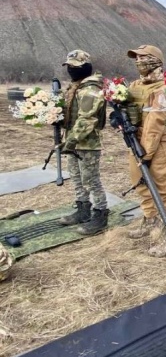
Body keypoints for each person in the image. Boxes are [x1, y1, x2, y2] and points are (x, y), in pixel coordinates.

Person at [123, 45, 166, 257]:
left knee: (161, 187)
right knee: (139, 182)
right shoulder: (135, 85)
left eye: (143, 57)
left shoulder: (164, 88)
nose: (138, 61)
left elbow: (156, 121)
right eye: (136, 58)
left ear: (155, 60)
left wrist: (146, 153)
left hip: (156, 143)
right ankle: (150, 219)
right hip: (135, 140)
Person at [58, 49, 109, 236]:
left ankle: (100, 214)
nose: (71, 70)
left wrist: (71, 140)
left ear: (86, 67)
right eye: (69, 66)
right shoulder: (76, 87)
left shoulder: (90, 89)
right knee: (77, 178)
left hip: (87, 143)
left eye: (75, 67)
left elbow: (87, 120)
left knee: (91, 180)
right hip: (73, 141)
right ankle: (83, 209)